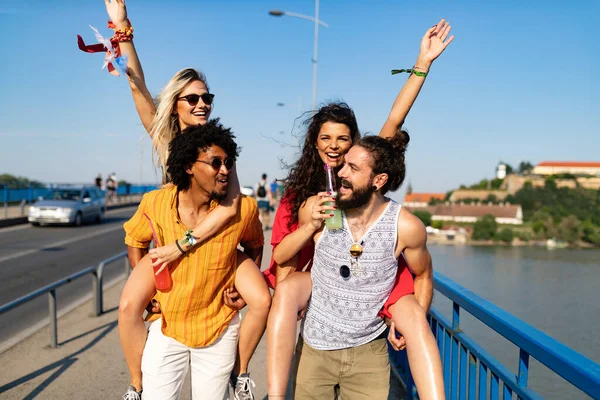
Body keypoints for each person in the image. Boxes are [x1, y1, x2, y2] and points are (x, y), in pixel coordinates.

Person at [265, 19, 453, 399]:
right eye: (326, 139)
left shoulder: (365, 169)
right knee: (288, 293)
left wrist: (423, 63)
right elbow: (284, 257)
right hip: (319, 294)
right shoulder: (307, 195)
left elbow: (395, 118)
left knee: (412, 314)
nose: (336, 149)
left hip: (373, 291)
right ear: (314, 143)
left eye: (344, 140)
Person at [102, 2, 272, 399]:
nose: (202, 104)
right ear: (175, 103)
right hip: (172, 238)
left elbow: (234, 210)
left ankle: (241, 374)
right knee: (129, 307)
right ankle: (137, 384)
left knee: (260, 297)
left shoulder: (219, 150)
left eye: (206, 97)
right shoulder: (165, 140)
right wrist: (122, 25)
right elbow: (135, 84)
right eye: (192, 98)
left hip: (215, 240)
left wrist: (187, 246)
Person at [292, 133, 444, 399]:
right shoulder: (322, 211)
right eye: (343, 165)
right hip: (314, 349)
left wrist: (408, 320)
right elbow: (287, 259)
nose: (341, 172)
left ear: (379, 180)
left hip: (369, 355)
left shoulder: (406, 227)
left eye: (353, 167)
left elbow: (423, 276)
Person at [122, 122, 264, 400]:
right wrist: (148, 285)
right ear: (188, 166)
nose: (225, 170)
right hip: (166, 325)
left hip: (218, 328)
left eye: (228, 162)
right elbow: (135, 240)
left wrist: (243, 290)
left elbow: (254, 243)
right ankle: (135, 387)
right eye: (215, 163)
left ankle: (241, 373)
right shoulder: (156, 203)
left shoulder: (243, 209)